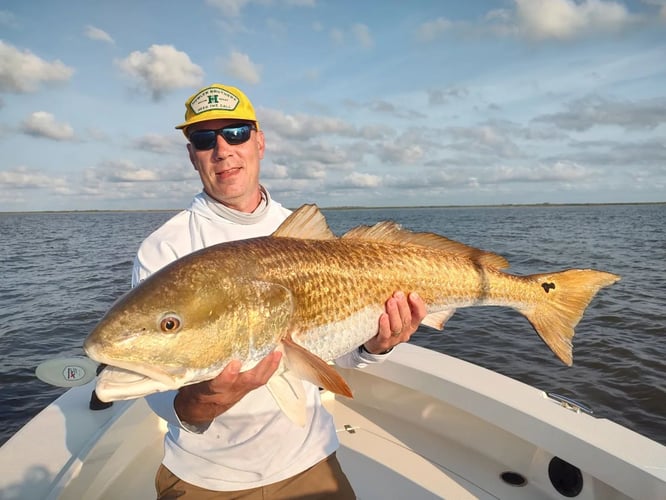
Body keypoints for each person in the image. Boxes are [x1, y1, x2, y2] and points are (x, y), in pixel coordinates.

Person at [131, 83, 426, 499]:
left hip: (310, 460)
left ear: (260, 142)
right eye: (203, 138)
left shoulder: (306, 237)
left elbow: (335, 350)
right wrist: (204, 400)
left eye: (236, 133)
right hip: (206, 477)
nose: (222, 149)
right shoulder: (165, 248)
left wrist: (377, 347)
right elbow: (154, 387)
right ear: (192, 154)